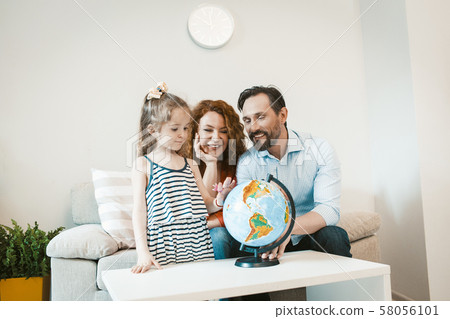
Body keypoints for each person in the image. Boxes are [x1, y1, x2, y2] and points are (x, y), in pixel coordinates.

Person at [236, 85, 351, 261]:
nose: (253, 127)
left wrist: (288, 229)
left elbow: (329, 210)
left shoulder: (319, 149)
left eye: (260, 117)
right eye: (247, 120)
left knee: (333, 236)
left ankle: (341, 289)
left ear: (282, 115)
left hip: (308, 234)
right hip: (267, 237)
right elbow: (246, 214)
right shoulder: (246, 163)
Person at [130, 83, 235, 274]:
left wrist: (220, 199)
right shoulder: (142, 165)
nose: (183, 135)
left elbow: (206, 203)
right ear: (153, 130)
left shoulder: (191, 165)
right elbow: (139, 212)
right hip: (163, 246)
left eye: (186, 128)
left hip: (198, 244)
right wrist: (142, 252)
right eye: (175, 129)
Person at [189, 100, 247, 259]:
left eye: (223, 131)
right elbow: (201, 212)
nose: (216, 138)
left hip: (238, 232)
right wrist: (212, 164)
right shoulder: (184, 165)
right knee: (218, 235)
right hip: (207, 238)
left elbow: (244, 211)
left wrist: (212, 223)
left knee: (219, 233)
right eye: (208, 130)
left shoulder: (241, 163)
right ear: (195, 133)